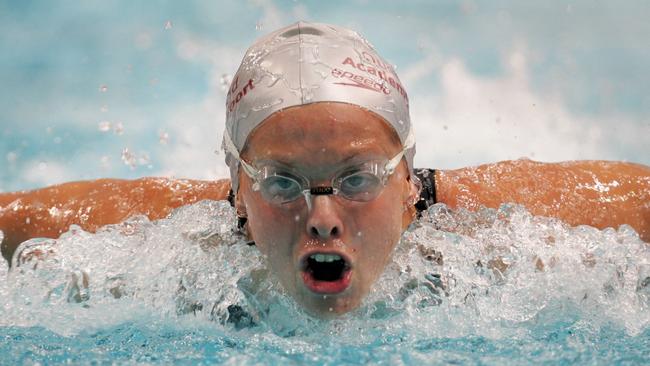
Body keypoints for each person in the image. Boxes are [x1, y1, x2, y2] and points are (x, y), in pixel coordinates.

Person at [1, 22, 648, 316]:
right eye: (281, 183)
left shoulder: (491, 228)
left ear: (406, 182)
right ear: (238, 196)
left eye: (357, 179)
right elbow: (17, 223)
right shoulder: (182, 239)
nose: (323, 218)